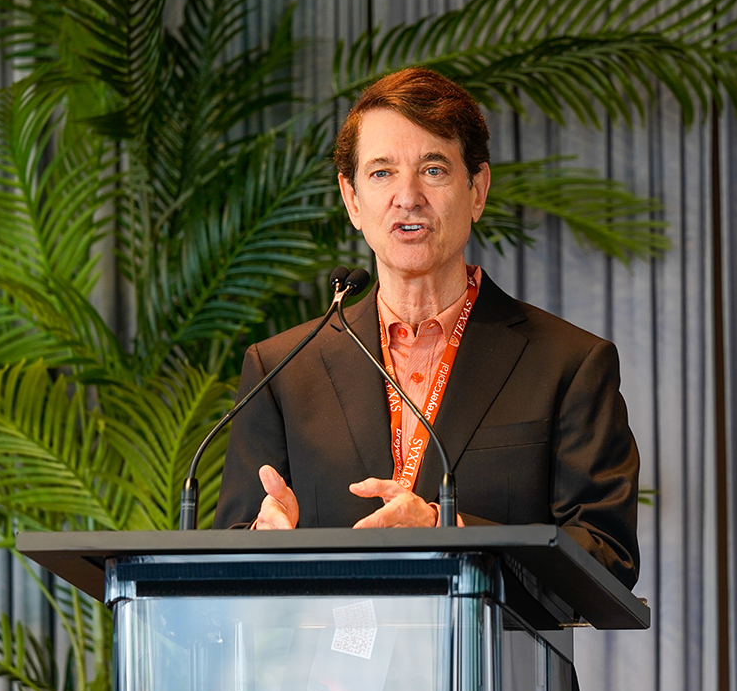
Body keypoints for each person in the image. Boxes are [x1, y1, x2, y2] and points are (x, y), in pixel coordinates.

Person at [214, 66, 640, 589]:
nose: (407, 195)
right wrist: (262, 544)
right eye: (381, 172)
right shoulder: (281, 369)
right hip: (332, 669)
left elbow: (606, 556)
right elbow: (228, 551)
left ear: (477, 190)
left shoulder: (568, 364)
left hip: (493, 666)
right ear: (352, 200)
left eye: (433, 169)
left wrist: (448, 529)